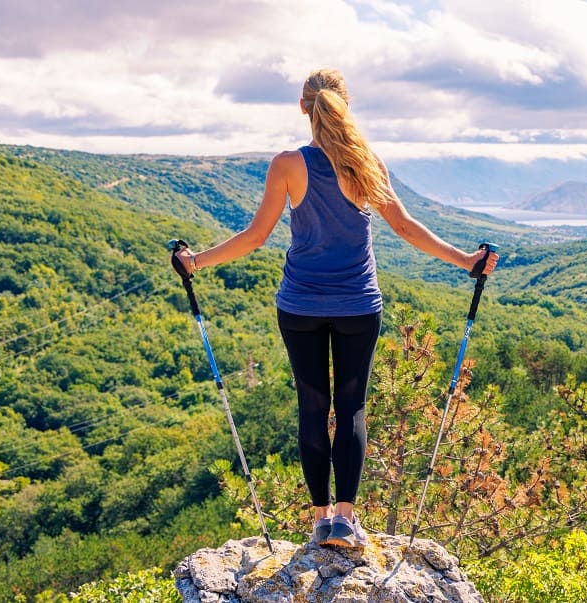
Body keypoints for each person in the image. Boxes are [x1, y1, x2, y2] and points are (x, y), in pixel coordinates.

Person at [173, 68, 498, 548]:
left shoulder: (287, 165)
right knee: (351, 409)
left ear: (303, 108)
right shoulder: (365, 162)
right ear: (346, 105)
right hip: (357, 307)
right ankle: (345, 520)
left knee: (312, 409)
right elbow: (405, 228)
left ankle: (319, 519)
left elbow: (256, 237)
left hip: (300, 306)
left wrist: (195, 261)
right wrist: (467, 261)